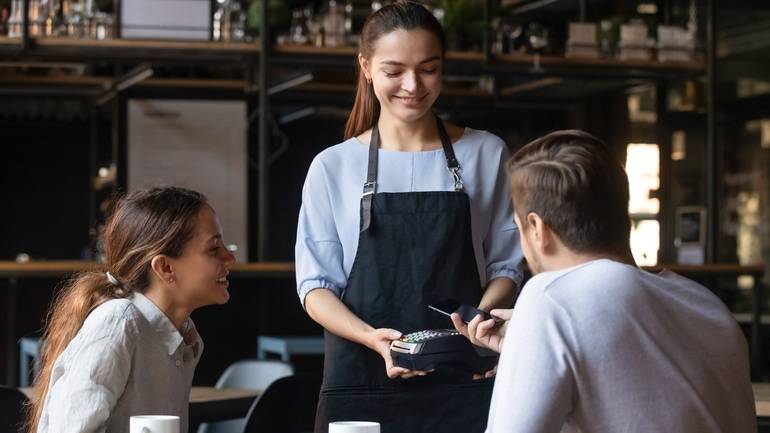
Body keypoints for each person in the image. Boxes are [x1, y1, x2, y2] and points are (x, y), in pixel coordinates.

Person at [294, 1, 523, 432]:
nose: (413, 85)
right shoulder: (333, 166)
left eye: (428, 68)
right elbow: (315, 287)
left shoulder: (486, 153)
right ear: (366, 67)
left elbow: (507, 266)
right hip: (362, 383)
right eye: (394, 70)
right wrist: (371, 338)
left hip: (465, 382)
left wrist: (473, 323)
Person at [452, 130, 756, 433]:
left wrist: (539, 330)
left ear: (536, 228)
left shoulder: (548, 298)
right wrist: (529, 346)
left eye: (518, 227)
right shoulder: (705, 303)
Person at [26, 186, 236, 433]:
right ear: (165, 268)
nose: (229, 257)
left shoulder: (182, 338)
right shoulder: (118, 323)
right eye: (213, 248)